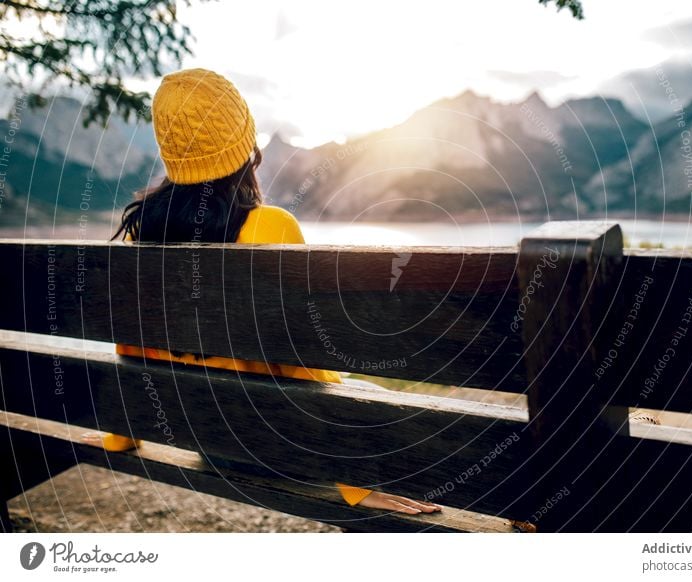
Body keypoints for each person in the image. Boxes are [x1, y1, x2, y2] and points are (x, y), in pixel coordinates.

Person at [82, 68, 441, 516]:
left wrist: (121, 434)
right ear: (244, 145)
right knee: (383, 403)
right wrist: (356, 483)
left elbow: (132, 353)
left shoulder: (141, 234)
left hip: (207, 442)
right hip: (282, 444)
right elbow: (304, 363)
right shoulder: (271, 228)